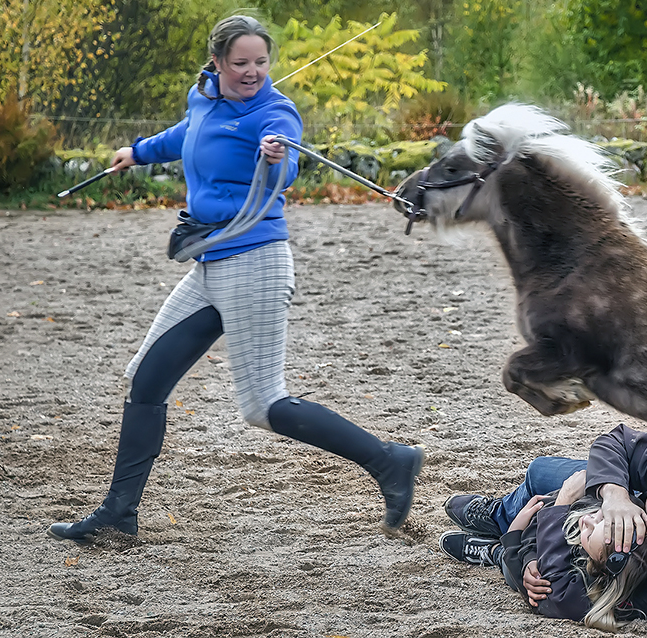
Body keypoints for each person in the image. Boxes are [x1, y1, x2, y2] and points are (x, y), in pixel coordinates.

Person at [48, 15, 423, 545]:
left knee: (262, 405)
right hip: (208, 266)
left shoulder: (274, 113)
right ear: (217, 62)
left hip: (255, 264)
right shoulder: (204, 97)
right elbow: (189, 133)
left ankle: (389, 461)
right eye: (241, 62)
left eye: (261, 62)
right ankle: (118, 514)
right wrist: (139, 151)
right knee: (146, 379)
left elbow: (286, 167)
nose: (252, 72)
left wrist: (276, 157)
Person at [440, 424, 647, 626]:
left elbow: (557, 592)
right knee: (542, 473)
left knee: (551, 505)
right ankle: (501, 514)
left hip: (581, 534)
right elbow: (623, 440)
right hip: (621, 498)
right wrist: (615, 494)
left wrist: (519, 550)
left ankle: (500, 543)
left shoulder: (644, 589)